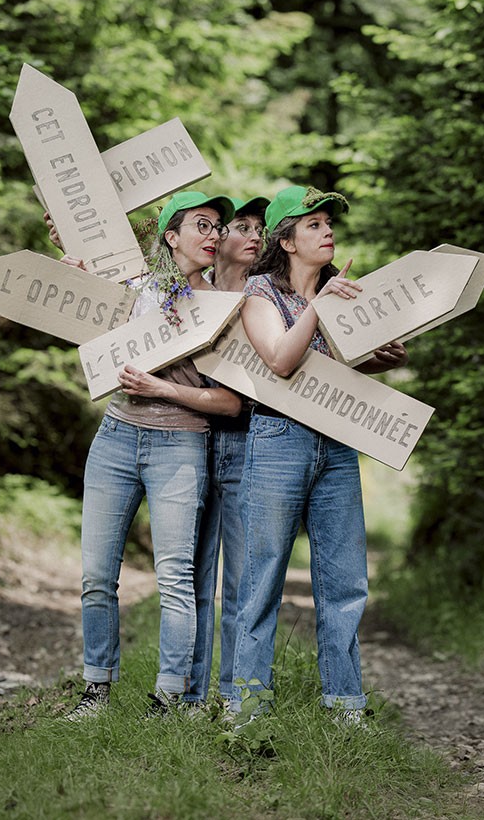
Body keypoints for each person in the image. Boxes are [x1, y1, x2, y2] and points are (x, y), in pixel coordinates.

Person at [61, 190, 244, 720]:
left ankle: (166, 698)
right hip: (116, 436)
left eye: (217, 227)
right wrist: (72, 272)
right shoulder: (136, 289)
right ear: (171, 235)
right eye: (202, 225)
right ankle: (96, 690)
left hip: (180, 445)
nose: (213, 235)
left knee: (174, 578)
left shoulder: (220, 309)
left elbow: (230, 402)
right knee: (96, 575)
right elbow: (77, 310)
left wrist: (164, 390)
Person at [231, 184, 409, 724]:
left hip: (335, 443)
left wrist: (384, 359)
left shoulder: (342, 290)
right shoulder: (260, 293)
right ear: (285, 239)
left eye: (329, 222)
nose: (327, 229)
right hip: (278, 440)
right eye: (313, 224)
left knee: (345, 579)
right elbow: (283, 360)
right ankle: (249, 705)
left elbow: (341, 367)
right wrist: (320, 307)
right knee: (263, 577)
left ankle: (344, 704)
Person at [187, 196, 269, 706]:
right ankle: (190, 696)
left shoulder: (270, 302)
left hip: (248, 445)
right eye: (241, 226)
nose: (253, 233)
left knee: (243, 581)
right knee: (194, 576)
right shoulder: (192, 293)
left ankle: (238, 699)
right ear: (219, 241)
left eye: (261, 227)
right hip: (191, 440)